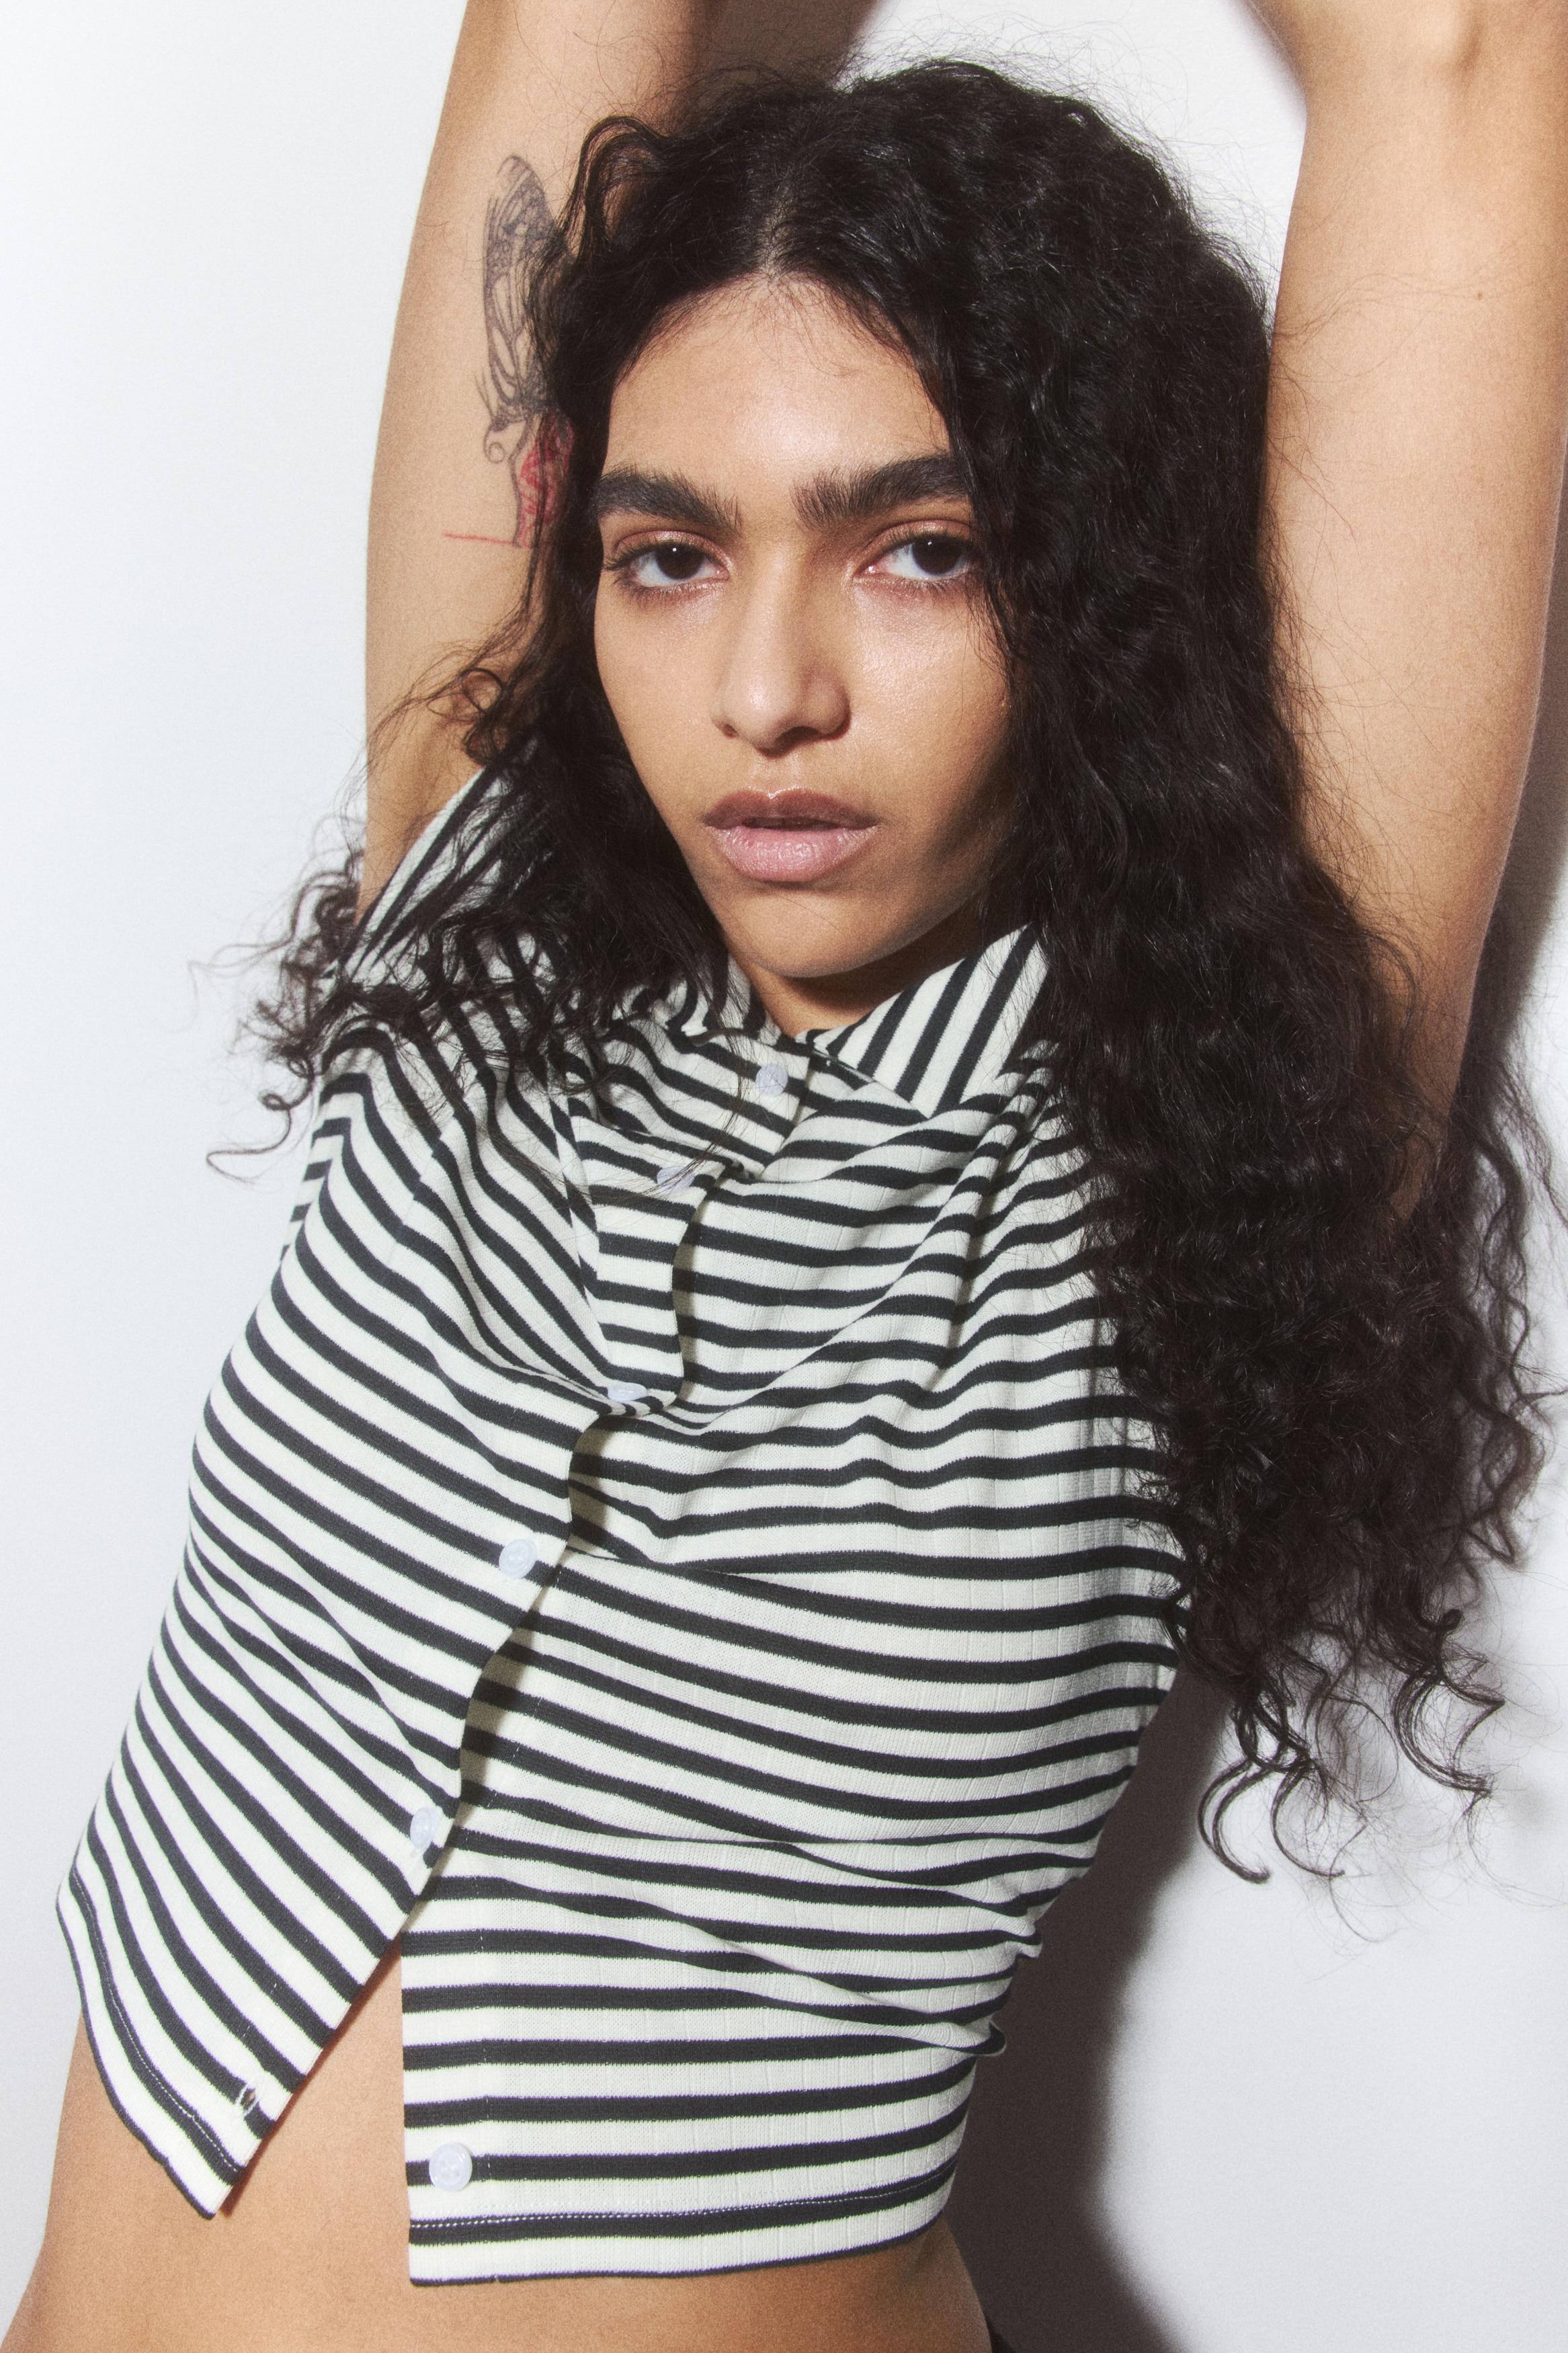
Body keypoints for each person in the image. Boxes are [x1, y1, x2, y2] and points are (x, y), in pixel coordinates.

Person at [7, 2, 1567, 2348]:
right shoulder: (471, 906)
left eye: (918, 550)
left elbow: (1456, 56)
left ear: (1096, 592)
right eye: (668, 554)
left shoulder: (1197, 1133)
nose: (765, 692)